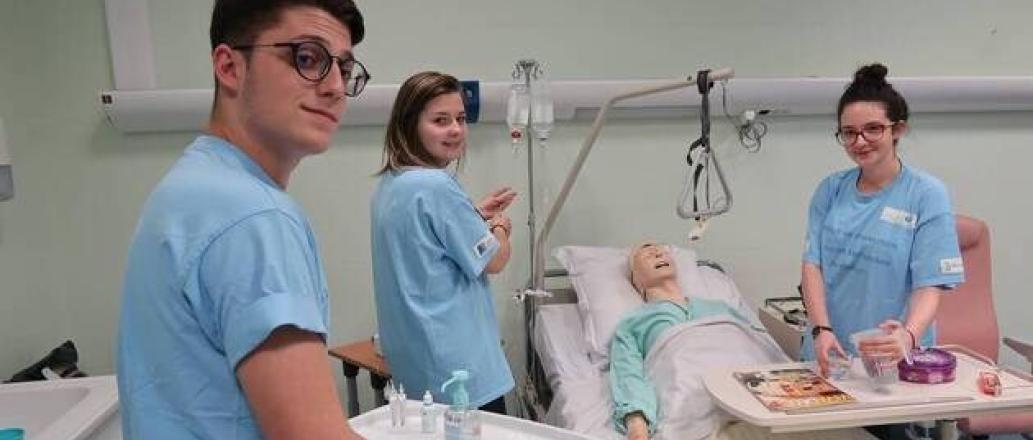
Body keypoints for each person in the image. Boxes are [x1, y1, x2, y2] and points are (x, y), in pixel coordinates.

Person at [116, 1, 369, 438]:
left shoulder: (188, 188)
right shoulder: (255, 217)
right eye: (308, 58)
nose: (334, 87)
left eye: (344, 70)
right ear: (229, 67)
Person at [799, 63, 965, 379]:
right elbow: (812, 265)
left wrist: (909, 335)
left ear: (897, 130)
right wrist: (821, 329)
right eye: (849, 132)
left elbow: (930, 283)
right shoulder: (830, 190)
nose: (860, 141)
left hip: (894, 354)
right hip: (830, 350)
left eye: (873, 129)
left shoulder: (926, 194)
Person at [371, 71, 518, 414]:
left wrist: (471, 214)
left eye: (461, 119)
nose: (455, 129)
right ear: (410, 124)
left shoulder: (390, 185)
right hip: (462, 377)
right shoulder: (436, 186)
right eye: (440, 120)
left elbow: (427, 241)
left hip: (416, 372)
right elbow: (494, 260)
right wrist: (499, 227)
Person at [610, 243, 754, 440]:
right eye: (646, 254)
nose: (657, 252)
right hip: (696, 412)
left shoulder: (722, 308)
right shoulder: (634, 323)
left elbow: (757, 345)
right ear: (636, 280)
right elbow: (628, 374)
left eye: (662, 251)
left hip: (757, 402)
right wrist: (637, 424)